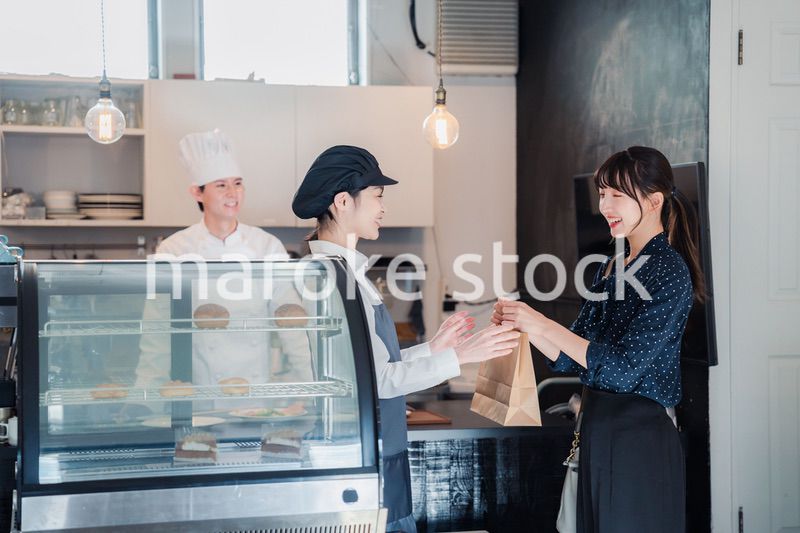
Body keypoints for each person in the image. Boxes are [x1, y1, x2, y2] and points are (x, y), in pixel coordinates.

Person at [293, 145, 521, 533]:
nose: (383, 208)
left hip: (380, 448)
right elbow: (377, 381)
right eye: (377, 197)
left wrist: (434, 348)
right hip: (364, 451)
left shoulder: (346, 273)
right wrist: (461, 356)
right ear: (343, 201)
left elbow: (373, 362)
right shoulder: (331, 279)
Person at [494, 146, 704, 532]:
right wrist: (525, 325)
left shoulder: (670, 272)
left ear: (654, 200)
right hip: (600, 427)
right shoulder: (613, 265)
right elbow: (576, 353)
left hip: (640, 438)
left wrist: (541, 323)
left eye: (617, 195)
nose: (605, 205)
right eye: (602, 193)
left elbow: (623, 370)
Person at [136, 129, 311, 392]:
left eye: (238, 183)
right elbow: (156, 333)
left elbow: (292, 327)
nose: (233, 193)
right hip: (201, 394)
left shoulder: (267, 246)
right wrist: (144, 392)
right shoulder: (173, 250)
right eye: (221, 185)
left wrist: (312, 386)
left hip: (257, 394)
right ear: (197, 192)